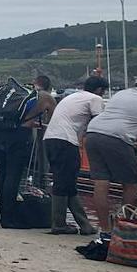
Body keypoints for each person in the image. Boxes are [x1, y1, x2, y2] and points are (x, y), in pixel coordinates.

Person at [84, 75, 137, 242]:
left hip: (93, 133)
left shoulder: (119, 94)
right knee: (131, 184)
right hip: (117, 138)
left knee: (101, 183)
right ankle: (123, 228)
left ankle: (105, 231)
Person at [42, 76, 107, 235]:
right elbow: (99, 122)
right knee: (63, 182)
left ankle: (85, 225)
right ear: (99, 90)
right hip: (66, 140)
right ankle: (58, 224)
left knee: (67, 182)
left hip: (50, 138)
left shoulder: (72, 97)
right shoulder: (95, 99)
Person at [0, 75, 56, 228]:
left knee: (1, 173)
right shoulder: (46, 97)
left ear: (34, 83)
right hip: (18, 136)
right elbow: (53, 121)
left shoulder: (13, 93)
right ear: (48, 87)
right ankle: (10, 219)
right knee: (13, 175)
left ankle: (3, 216)